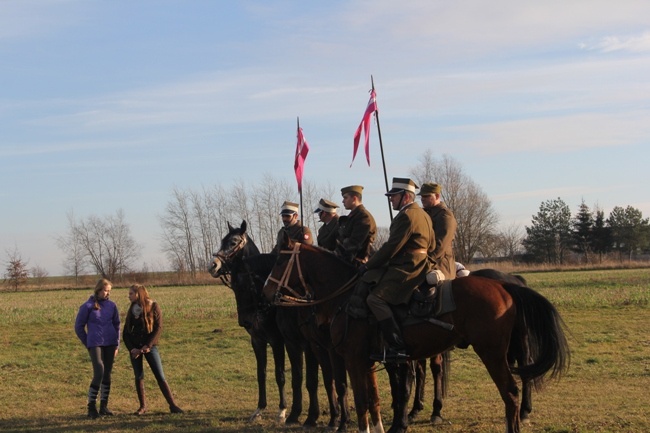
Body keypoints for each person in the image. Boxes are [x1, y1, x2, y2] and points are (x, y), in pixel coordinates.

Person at [359, 178, 435, 362]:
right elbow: (432, 244)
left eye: (393, 196)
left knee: (375, 299)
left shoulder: (406, 216)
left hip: (407, 267)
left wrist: (368, 265)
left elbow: (391, 247)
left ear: (406, 196)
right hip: (422, 262)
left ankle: (396, 345)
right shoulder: (423, 214)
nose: (391, 199)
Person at [123, 284, 184, 415]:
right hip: (135, 347)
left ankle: (172, 405)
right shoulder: (132, 308)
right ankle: (142, 407)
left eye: (131, 294)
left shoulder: (153, 306)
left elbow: (158, 328)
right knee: (138, 376)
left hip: (150, 347)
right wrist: (132, 348)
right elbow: (126, 332)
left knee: (160, 375)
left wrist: (148, 345)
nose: (129, 296)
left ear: (139, 294)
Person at [74, 278, 120, 419]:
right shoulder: (87, 306)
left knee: (107, 374)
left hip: (110, 343)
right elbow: (78, 326)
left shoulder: (112, 306)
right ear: (98, 290)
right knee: (99, 371)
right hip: (95, 344)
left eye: (109, 291)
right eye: (105, 290)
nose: (107, 293)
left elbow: (117, 325)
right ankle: (91, 407)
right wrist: (88, 341)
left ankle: (104, 406)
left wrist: (117, 344)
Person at [418, 182, 458, 280]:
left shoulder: (445, 216)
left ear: (436, 196)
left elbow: (440, 246)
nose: (423, 198)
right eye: (422, 196)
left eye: (426, 196)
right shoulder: (424, 214)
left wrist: (423, 263)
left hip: (440, 267)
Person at [336, 185, 377, 266]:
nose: (343, 201)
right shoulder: (354, 216)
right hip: (350, 259)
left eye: (345, 198)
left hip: (359, 262)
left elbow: (355, 243)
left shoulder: (363, 216)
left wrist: (338, 250)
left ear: (354, 199)